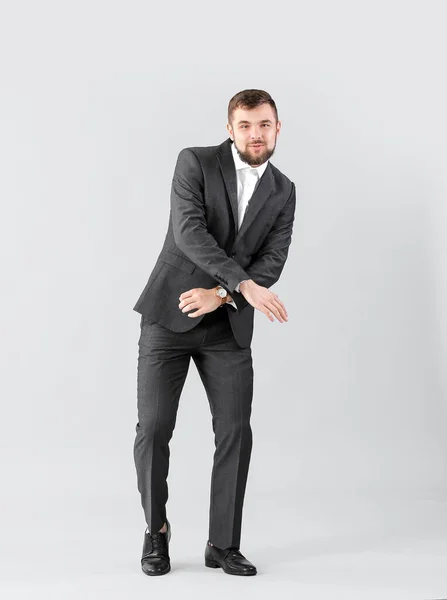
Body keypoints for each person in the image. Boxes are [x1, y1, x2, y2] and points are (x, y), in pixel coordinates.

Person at [133, 88, 297, 577]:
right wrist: (242, 283)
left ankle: (223, 544)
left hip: (226, 327)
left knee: (234, 434)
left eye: (264, 125)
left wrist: (224, 296)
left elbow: (274, 258)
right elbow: (189, 233)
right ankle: (155, 530)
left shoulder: (284, 190)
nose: (255, 134)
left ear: (277, 128)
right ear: (230, 128)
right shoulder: (195, 163)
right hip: (170, 314)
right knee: (154, 429)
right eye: (245, 125)